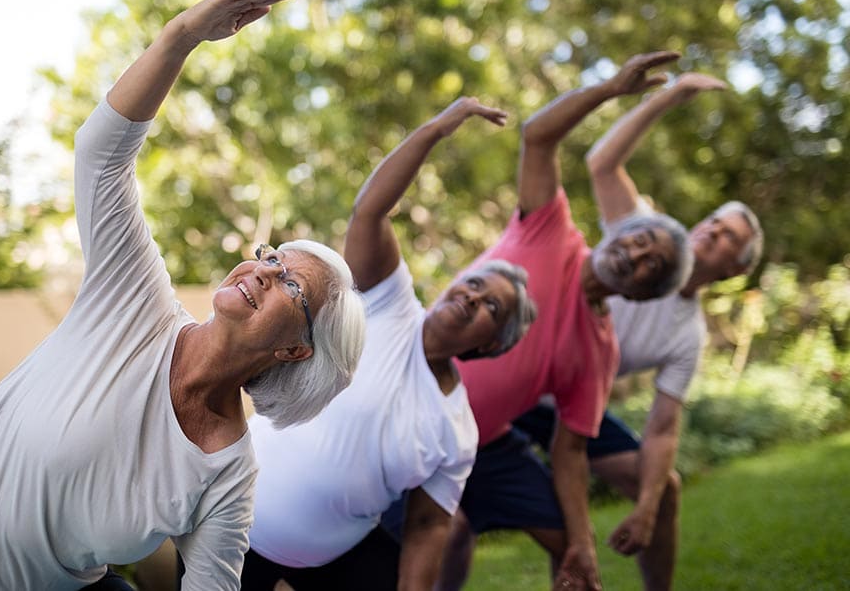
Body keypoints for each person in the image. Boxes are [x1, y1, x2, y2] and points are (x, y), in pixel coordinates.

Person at [0, 0, 367, 591]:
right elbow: (100, 156)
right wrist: (182, 37)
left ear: (295, 349)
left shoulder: (228, 472)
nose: (264, 269)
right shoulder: (138, 300)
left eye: (291, 284)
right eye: (271, 256)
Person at [239, 98, 538, 590]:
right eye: (476, 284)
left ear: (490, 345)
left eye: (493, 307)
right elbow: (371, 209)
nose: (473, 295)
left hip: (334, 554)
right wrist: (437, 128)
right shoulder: (389, 303)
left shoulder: (457, 430)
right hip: (238, 520)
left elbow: (427, 526)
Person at [434, 52, 695, 591]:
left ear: (642, 295)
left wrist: (583, 540)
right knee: (439, 534)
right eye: (639, 241)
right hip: (414, 412)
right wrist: (610, 89)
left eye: (651, 268)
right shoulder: (550, 228)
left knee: (569, 547)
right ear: (619, 231)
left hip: (483, 441)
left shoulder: (600, 351)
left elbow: (570, 451)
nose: (636, 257)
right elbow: (538, 136)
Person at [511, 70, 763, 591]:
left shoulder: (686, 335)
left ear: (735, 268)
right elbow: (602, 161)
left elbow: (663, 428)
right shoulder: (645, 236)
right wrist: (668, 97)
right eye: (713, 221)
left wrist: (646, 508)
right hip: (513, 381)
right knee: (466, 518)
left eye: (725, 237)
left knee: (664, 488)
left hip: (573, 409)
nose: (710, 230)